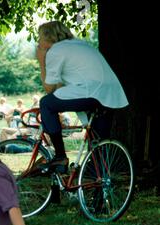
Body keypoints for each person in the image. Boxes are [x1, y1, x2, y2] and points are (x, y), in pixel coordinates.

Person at [36, 21, 129, 173]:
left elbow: (49, 89)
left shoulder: (56, 50)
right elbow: (61, 87)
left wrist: (41, 62)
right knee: (98, 145)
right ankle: (101, 188)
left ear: (48, 37)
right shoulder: (80, 45)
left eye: (39, 38)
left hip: (91, 91)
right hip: (111, 94)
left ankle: (60, 156)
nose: (38, 43)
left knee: (46, 104)